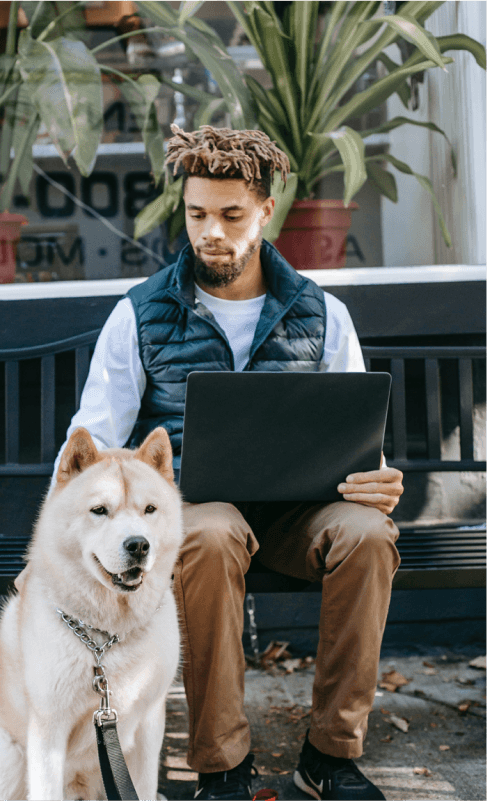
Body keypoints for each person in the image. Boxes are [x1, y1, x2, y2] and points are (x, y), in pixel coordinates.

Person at [53, 125, 404, 801]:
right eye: (196, 214)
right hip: (200, 516)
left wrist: (376, 479)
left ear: (265, 212)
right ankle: (222, 766)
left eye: (230, 215)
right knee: (207, 530)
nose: (210, 230)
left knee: (366, 534)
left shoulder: (322, 314)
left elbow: (357, 438)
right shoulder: (140, 315)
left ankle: (329, 756)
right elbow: (89, 447)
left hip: (302, 514)